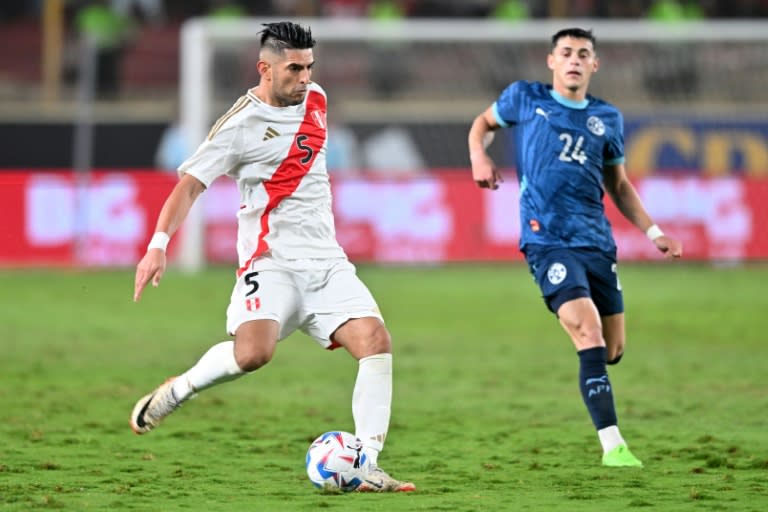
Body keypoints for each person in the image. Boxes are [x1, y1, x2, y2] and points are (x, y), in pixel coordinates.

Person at [130, 21, 415, 493]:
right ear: (264, 68)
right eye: (294, 69)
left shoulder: (317, 99)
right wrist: (157, 245)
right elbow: (189, 187)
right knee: (253, 354)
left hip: (327, 263)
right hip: (271, 263)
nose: (304, 78)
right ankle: (178, 389)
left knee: (375, 341)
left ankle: (366, 461)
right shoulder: (239, 125)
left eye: (310, 67)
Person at [467, 28, 683, 467]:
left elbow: (618, 185)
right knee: (588, 331)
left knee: (611, 350)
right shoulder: (525, 98)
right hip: (546, 239)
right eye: (565, 53)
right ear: (551, 61)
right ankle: (613, 447)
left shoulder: (607, 118)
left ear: (594, 65)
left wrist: (654, 231)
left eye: (583, 54)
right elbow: (483, 124)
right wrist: (479, 155)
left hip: (596, 243)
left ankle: (593, 361)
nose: (574, 60)